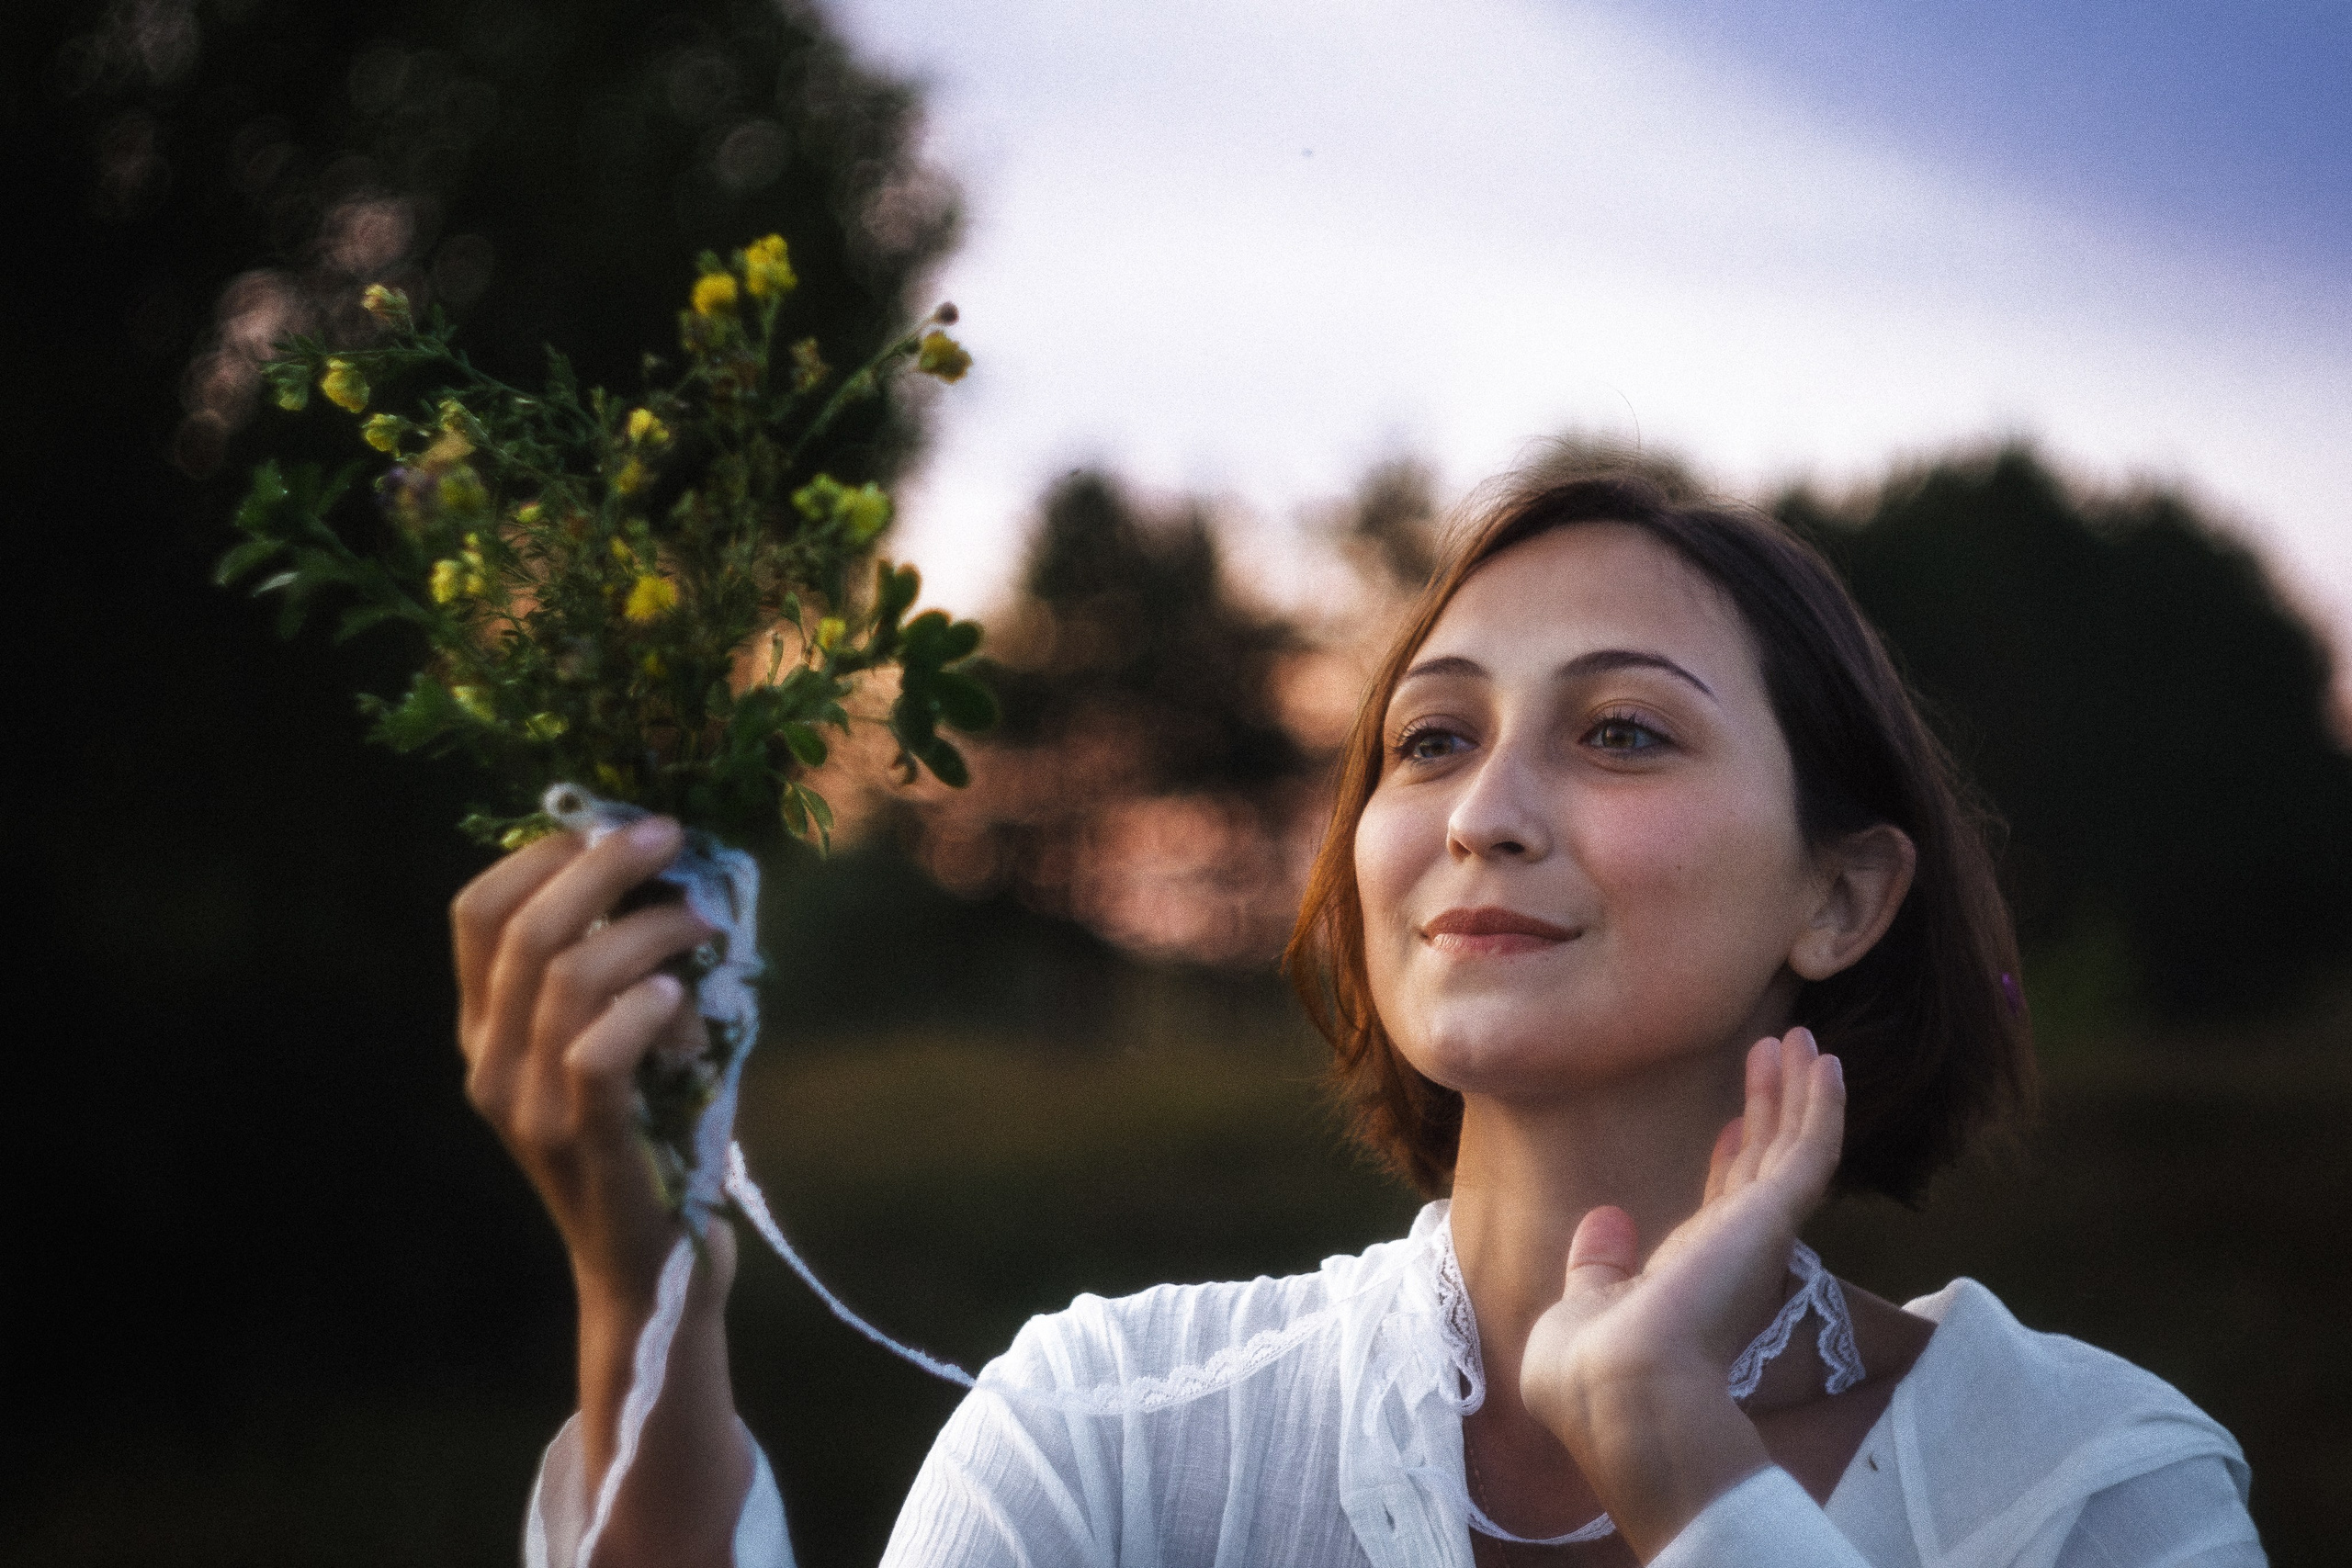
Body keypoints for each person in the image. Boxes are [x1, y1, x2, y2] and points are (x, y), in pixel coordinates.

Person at [453, 472, 2262, 1567]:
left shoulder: (2084, 1483)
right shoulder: (1114, 1432)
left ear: (1842, 891)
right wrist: (642, 1291)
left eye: (1620, 728)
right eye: (1430, 735)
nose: (1481, 807)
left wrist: (1678, 1455)